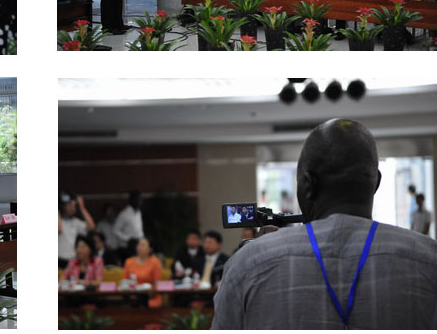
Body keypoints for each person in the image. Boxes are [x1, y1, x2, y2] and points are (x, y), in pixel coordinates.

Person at [212, 118, 437, 329]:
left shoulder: (248, 264)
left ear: (307, 184)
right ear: (376, 182)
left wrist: (261, 253)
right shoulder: (429, 257)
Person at [123, 236, 164, 306]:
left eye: (143, 245)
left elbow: (156, 283)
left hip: (150, 296)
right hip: (132, 295)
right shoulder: (129, 262)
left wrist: (149, 293)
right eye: (138, 244)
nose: (139, 247)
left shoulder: (155, 262)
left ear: (150, 249)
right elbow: (125, 282)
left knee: (142, 302)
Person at [58, 194, 95, 268]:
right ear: (62, 206)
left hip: (73, 259)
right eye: (69, 205)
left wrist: (82, 208)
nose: (72, 208)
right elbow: (59, 230)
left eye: (74, 205)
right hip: (59, 259)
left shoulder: (76, 222)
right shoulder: (59, 220)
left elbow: (91, 227)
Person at [113, 192, 144, 257]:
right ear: (131, 200)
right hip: (128, 247)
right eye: (138, 199)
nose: (140, 202)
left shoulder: (138, 212)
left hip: (139, 245)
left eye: (141, 199)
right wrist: (128, 239)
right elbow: (115, 230)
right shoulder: (124, 214)